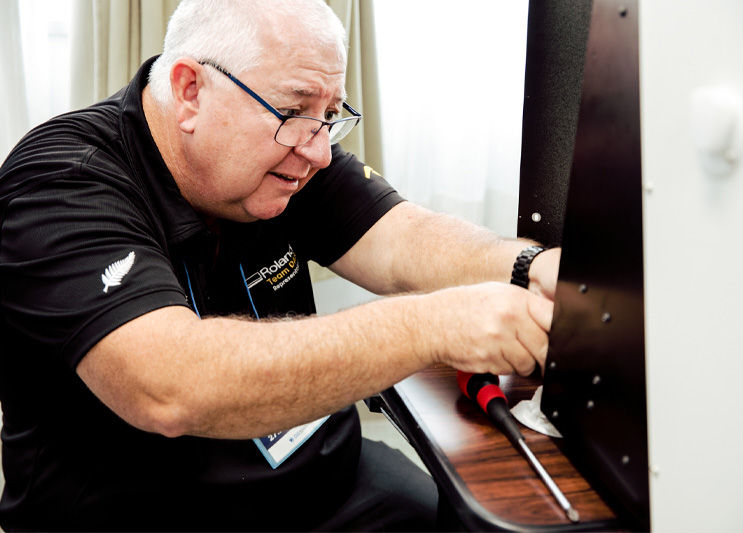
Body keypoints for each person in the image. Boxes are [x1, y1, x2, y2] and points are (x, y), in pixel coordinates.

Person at [0, 0, 559, 530]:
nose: (318, 151)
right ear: (190, 91)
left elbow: (403, 237)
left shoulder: (290, 154)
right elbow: (171, 386)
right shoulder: (62, 181)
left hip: (319, 482)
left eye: (330, 116)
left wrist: (530, 267)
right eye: (293, 111)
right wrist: (434, 325)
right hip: (150, 515)